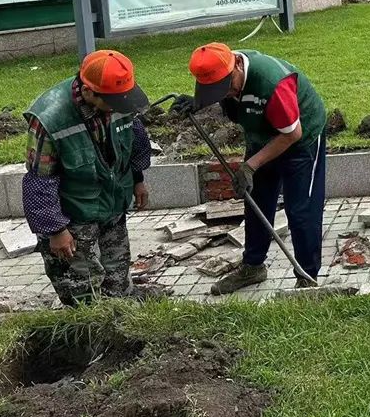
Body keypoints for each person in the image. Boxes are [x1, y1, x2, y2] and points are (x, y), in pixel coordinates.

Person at [187, 42, 328, 292]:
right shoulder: (228, 78)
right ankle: (253, 267)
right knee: (256, 202)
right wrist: (195, 103)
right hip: (262, 137)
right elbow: (221, 94)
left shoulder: (272, 83)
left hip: (300, 140)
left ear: (237, 65)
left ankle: (307, 277)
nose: (226, 94)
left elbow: (292, 134)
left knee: (301, 210)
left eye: (227, 87)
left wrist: (251, 165)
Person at [23, 50, 152, 306]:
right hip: (74, 217)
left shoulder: (120, 100)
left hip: (112, 207)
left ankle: (123, 330)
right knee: (83, 293)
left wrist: (138, 179)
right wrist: (56, 230)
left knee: (118, 283)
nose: (120, 107)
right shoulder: (50, 120)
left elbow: (135, 143)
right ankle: (90, 339)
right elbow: (40, 181)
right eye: (113, 101)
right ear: (89, 92)